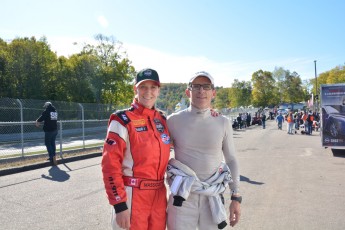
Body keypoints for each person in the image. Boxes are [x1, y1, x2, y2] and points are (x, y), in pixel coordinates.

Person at [166, 71, 241, 230]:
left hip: (212, 197)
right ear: (188, 91)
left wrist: (236, 196)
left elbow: (231, 159)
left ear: (213, 92)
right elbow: (156, 152)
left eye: (206, 87)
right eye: (196, 86)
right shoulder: (173, 121)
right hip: (182, 198)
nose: (201, 91)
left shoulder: (223, 122)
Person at [101, 68, 171, 230]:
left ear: (159, 90)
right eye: (143, 87)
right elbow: (110, 165)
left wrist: (208, 112)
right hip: (133, 195)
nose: (148, 92)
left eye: (153, 87)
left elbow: (187, 132)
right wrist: (119, 205)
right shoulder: (122, 120)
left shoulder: (163, 120)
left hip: (159, 196)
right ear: (135, 89)